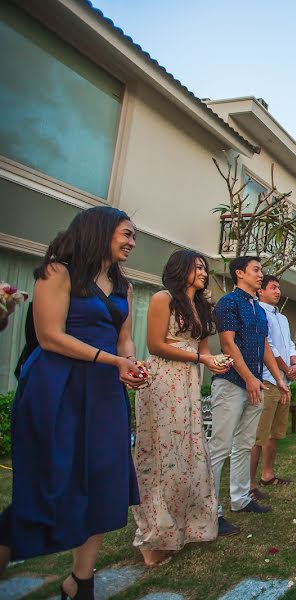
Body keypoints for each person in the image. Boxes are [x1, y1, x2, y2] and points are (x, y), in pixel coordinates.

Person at [0, 207, 144, 597]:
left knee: (104, 479)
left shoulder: (124, 286)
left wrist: (128, 362)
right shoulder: (57, 272)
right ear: (99, 230)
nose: (132, 242)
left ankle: (80, 581)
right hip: (57, 386)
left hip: (104, 392)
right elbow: (49, 336)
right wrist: (112, 360)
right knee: (48, 480)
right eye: (126, 234)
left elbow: (124, 336)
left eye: (134, 236)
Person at [131, 250, 230, 566]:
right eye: (198, 267)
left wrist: (214, 362)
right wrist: (202, 359)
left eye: (204, 267)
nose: (203, 272)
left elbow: (202, 348)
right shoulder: (164, 299)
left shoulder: (200, 307)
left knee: (186, 455)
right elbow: (155, 345)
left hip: (188, 383)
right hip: (162, 381)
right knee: (162, 456)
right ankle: (152, 538)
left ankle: (181, 530)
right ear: (180, 269)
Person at [208, 256, 290, 537]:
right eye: (256, 270)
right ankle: (211, 511)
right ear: (239, 273)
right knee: (219, 447)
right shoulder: (228, 303)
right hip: (231, 382)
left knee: (243, 444)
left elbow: (265, 345)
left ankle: (241, 499)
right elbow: (228, 343)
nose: (261, 274)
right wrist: (249, 378)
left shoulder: (258, 308)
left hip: (256, 384)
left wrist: (279, 379)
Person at [249, 275, 296, 502]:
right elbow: (266, 345)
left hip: (284, 382)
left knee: (275, 433)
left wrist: (294, 363)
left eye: (279, 288)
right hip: (268, 379)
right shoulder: (258, 313)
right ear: (260, 291)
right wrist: (283, 369)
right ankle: (248, 483)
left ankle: (267, 474)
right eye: (273, 288)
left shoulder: (283, 318)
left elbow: (288, 343)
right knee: (258, 435)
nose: (277, 291)